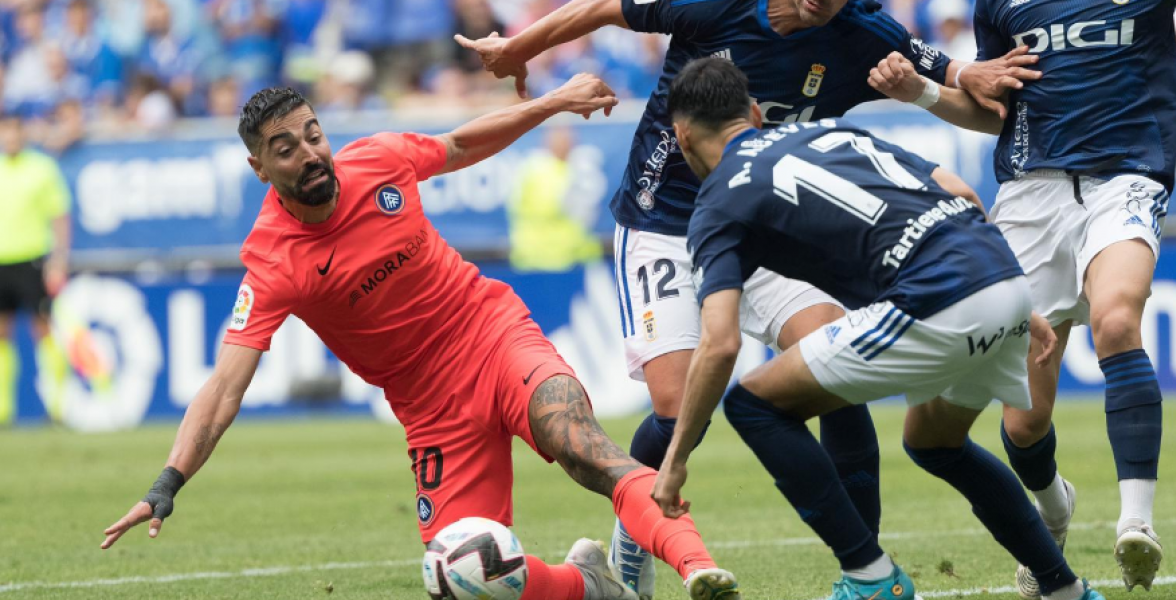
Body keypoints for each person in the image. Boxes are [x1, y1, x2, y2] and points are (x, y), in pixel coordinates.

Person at [456, 1, 1040, 594]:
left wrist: (960, 77)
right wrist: (521, 46)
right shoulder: (716, 6)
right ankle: (633, 538)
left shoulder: (864, 33)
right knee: (676, 407)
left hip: (772, 228)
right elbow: (608, 6)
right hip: (665, 226)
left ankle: (865, 573)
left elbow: (967, 93)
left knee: (833, 371)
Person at [98, 77, 743, 600]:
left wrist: (551, 102)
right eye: (286, 147)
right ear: (260, 168)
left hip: (491, 334)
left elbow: (460, 145)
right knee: (463, 575)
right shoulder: (272, 264)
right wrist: (167, 482)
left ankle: (697, 569)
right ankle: (593, 587)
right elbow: (223, 386)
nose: (310, 153)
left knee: (581, 446)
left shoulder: (377, 160)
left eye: (312, 134)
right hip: (430, 410)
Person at [649, 56, 1105, 600]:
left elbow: (721, 343)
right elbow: (957, 190)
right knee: (933, 442)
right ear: (753, 112)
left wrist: (673, 462)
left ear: (680, 136)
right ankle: (1063, 589)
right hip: (1000, 275)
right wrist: (1008, 295)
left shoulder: (717, 203)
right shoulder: (828, 130)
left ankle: (870, 576)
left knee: (754, 406)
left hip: (939, 298)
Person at [967, 0, 1176, 594]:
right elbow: (995, 106)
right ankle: (1054, 510)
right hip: (1031, 195)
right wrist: (922, 92)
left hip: (1125, 176)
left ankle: (1136, 521)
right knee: (1026, 422)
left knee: (1117, 322)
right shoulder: (997, 5)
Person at [0, 113, 70, 426]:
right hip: (2, 261)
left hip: (33, 260)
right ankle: (3, 409)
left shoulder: (42, 168)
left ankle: (56, 406)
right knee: (2, 334)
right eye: (5, 131)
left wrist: (58, 260)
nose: (10, 137)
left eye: (14, 130)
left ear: (23, 133)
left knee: (43, 329)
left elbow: (60, 215)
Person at [508, 125, 603, 272]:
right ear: (548, 141)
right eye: (561, 138)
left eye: (568, 138)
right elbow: (549, 207)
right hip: (540, 259)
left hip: (571, 259)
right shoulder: (538, 170)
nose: (567, 143)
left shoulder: (574, 168)